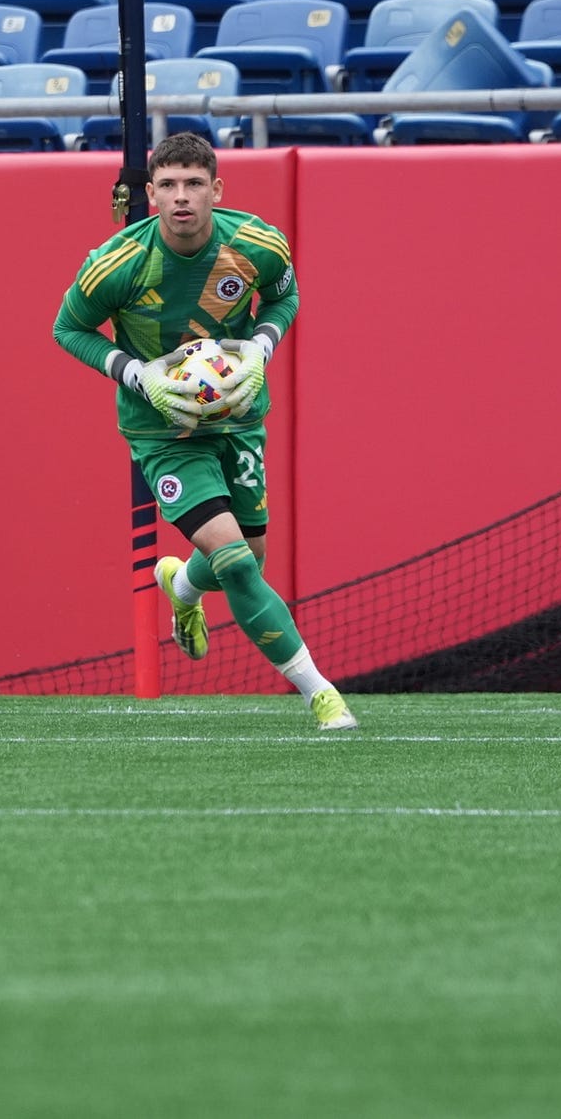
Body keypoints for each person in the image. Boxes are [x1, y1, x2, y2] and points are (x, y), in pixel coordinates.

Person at [52, 132, 358, 731]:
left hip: (239, 419)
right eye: (168, 186)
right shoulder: (117, 263)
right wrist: (136, 373)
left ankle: (183, 586)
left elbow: (282, 298)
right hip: (162, 433)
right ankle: (321, 694)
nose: (181, 197)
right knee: (238, 564)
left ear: (217, 189)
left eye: (194, 184)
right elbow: (69, 329)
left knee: (249, 559)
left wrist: (260, 349)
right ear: (150, 195)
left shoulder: (257, 243)